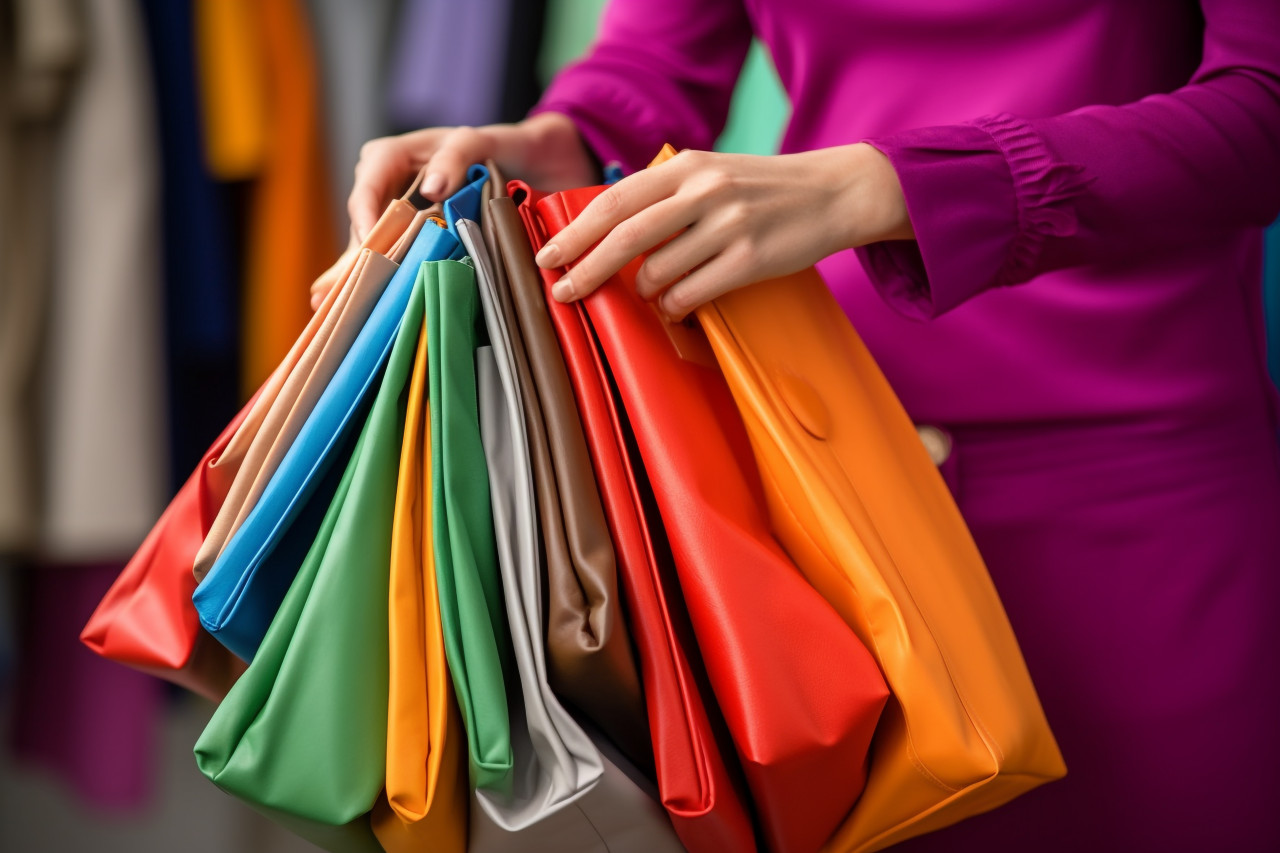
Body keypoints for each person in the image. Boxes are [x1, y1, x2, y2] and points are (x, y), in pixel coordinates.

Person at [346, 1, 1280, 849]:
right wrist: (560, 139)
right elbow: (656, 57)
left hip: (1138, 485)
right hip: (814, 472)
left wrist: (889, 186)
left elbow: (1263, 103)